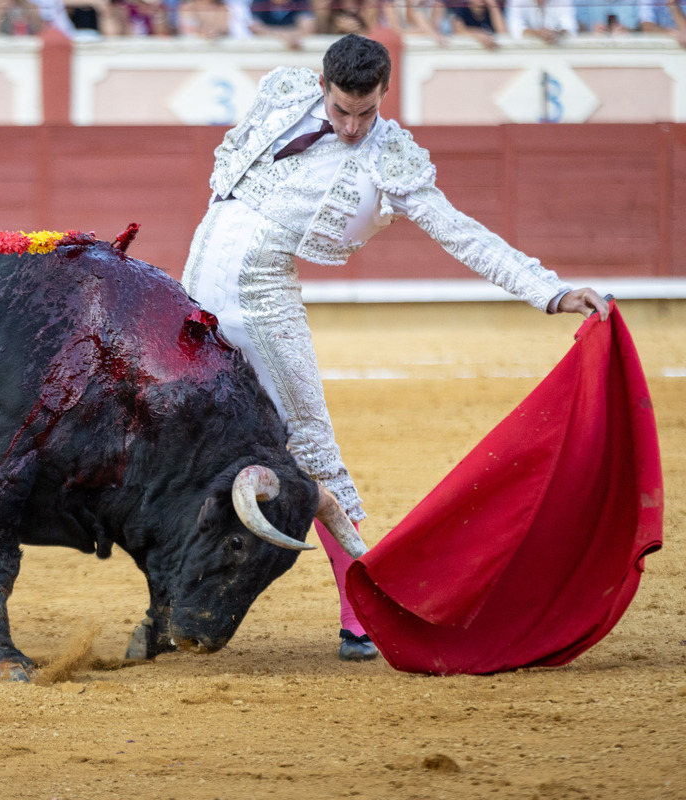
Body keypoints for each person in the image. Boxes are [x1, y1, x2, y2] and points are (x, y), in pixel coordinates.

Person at [181, 34, 609, 662]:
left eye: (367, 112)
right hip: (195, 283)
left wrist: (551, 290)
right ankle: (180, 589)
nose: (353, 127)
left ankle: (361, 613)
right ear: (323, 86)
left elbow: (461, 232)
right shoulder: (282, 91)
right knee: (182, 433)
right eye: (341, 111)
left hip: (263, 300)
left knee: (310, 446)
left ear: (385, 93)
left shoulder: (393, 157)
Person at [433, 0, 507, 47]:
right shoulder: (463, 8)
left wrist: (493, 6)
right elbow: (457, 30)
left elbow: (503, 33)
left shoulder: (493, 11)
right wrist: (477, 35)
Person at [505, 0, 576, 41]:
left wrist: (557, 33)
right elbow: (515, 29)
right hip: (528, 52)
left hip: (557, 51)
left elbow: (570, 27)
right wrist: (536, 33)